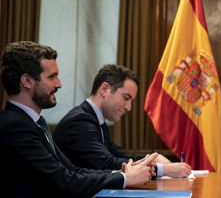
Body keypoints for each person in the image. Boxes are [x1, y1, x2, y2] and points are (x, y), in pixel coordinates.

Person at [0, 41, 157, 198]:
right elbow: (64, 181)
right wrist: (125, 178)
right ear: (27, 81)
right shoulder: (14, 126)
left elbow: (72, 170)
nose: (59, 84)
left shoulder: (33, 123)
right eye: (52, 77)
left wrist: (121, 173)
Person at [54, 64, 191, 178]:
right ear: (105, 89)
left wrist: (153, 158)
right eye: (126, 98)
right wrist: (162, 170)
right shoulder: (79, 122)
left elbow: (119, 155)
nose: (129, 107)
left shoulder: (95, 119)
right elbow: (107, 164)